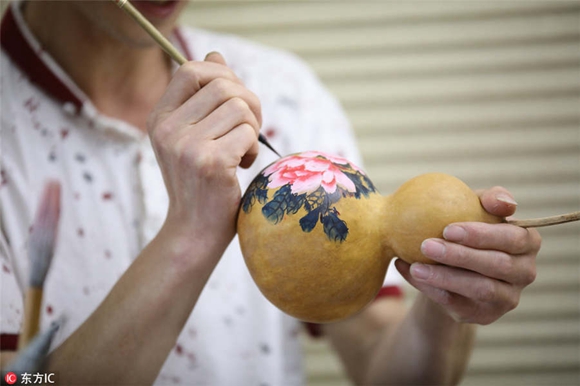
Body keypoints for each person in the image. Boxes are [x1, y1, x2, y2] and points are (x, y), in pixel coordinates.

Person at [0, 1, 541, 385]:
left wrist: (446, 297)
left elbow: (381, 361)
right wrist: (190, 237)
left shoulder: (282, 92)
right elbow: (23, 381)